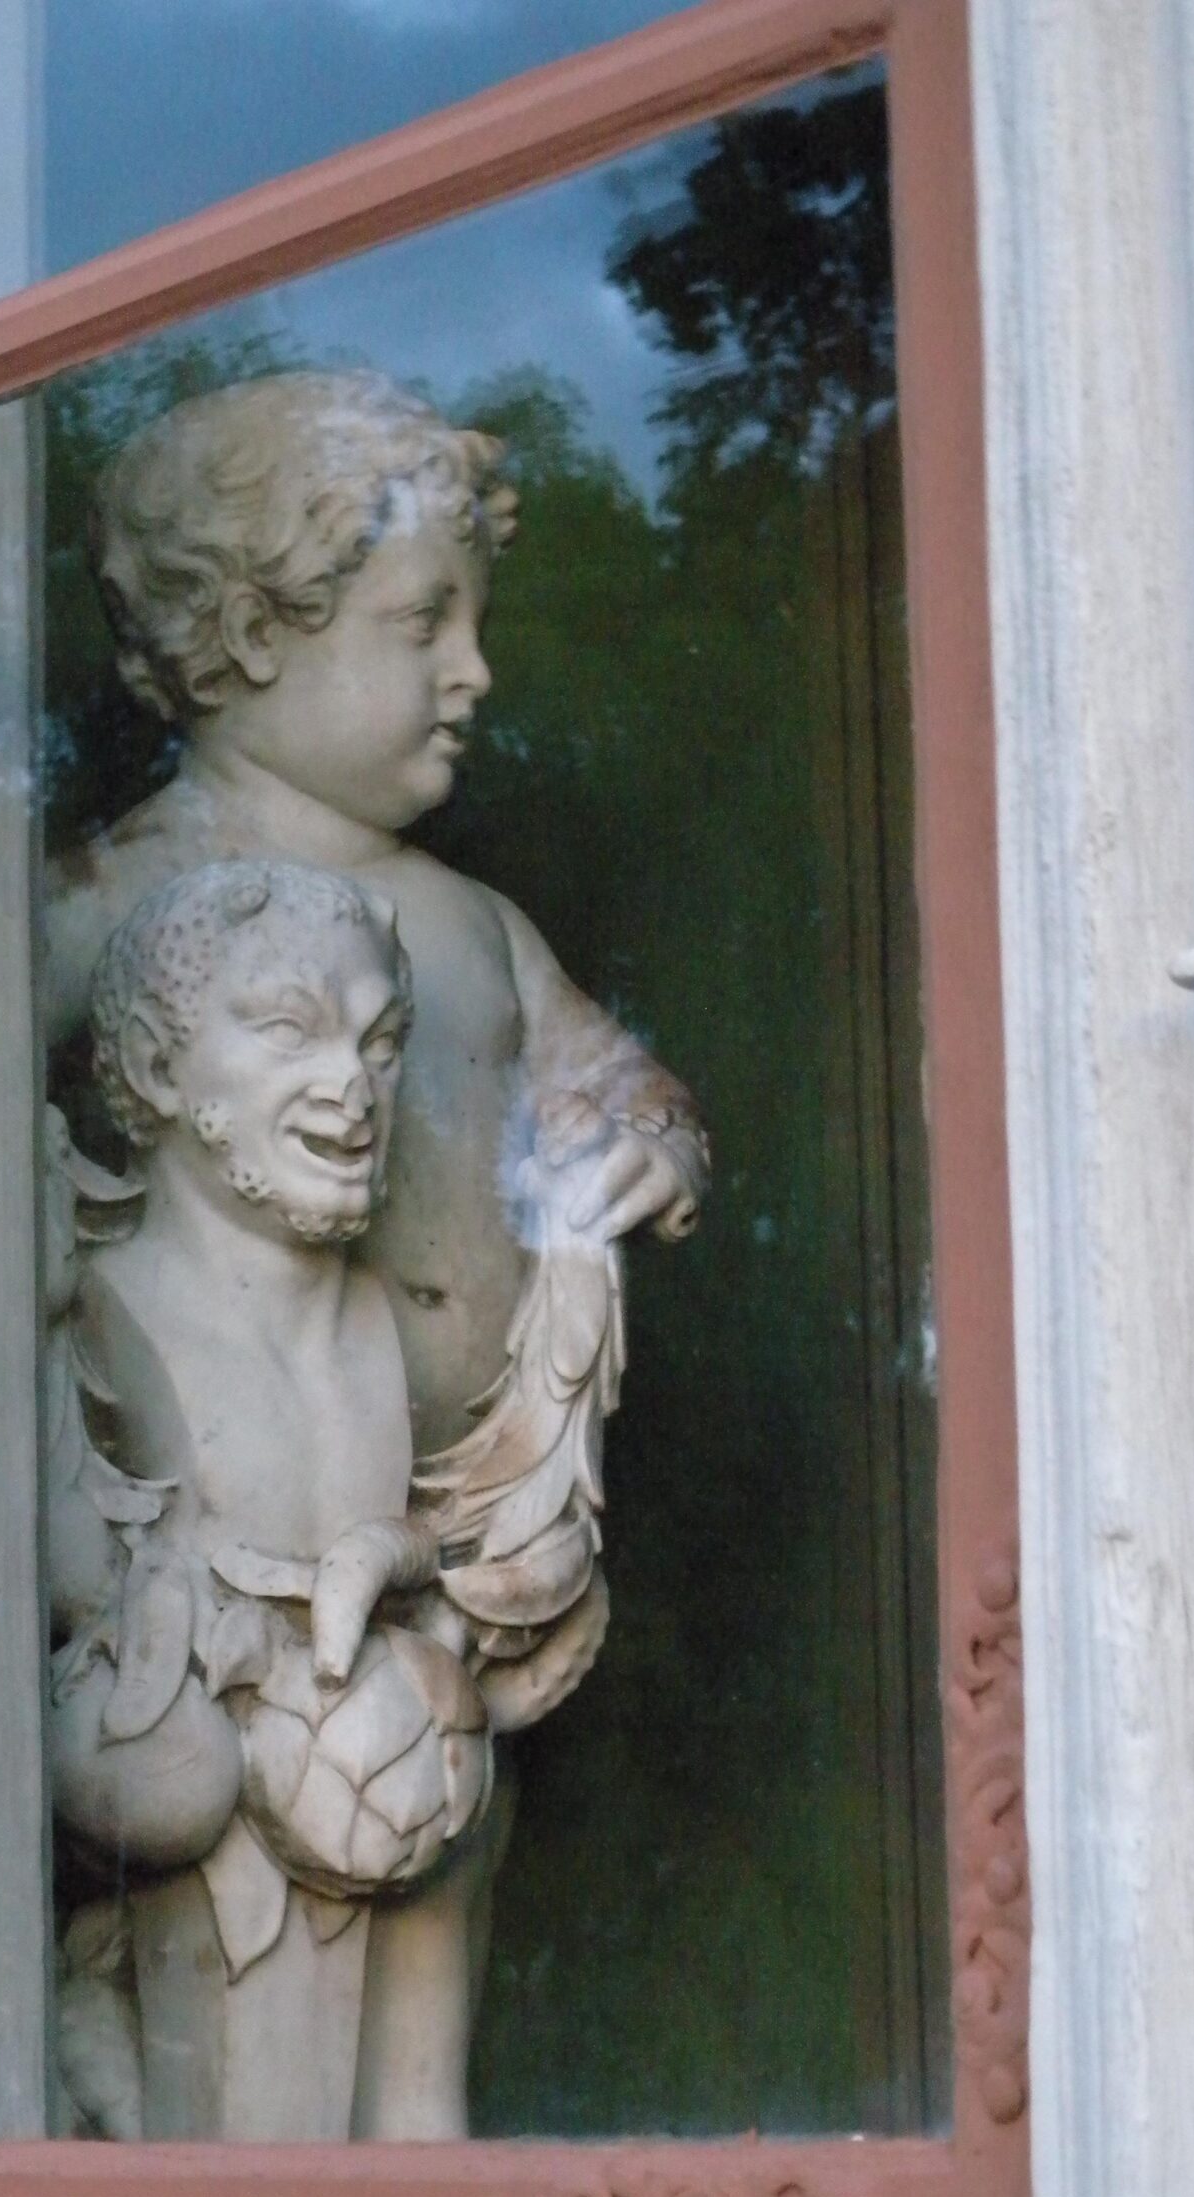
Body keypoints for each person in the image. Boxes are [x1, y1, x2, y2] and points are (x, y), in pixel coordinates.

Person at [44, 368, 708, 1462]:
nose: (476, 670)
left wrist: (651, 1145)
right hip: (234, 1492)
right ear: (255, 633)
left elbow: (617, 1081)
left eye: (476, 627)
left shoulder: (477, 922)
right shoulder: (109, 898)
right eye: (424, 623)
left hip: (499, 1500)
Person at [48, 858, 495, 2141]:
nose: (354, 1084)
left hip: (397, 1811)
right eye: (291, 1030)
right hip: (193, 1879)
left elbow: (444, 1543)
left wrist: (396, 1556)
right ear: (158, 1067)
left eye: (381, 1041)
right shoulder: (100, 1314)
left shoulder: (386, 1329)